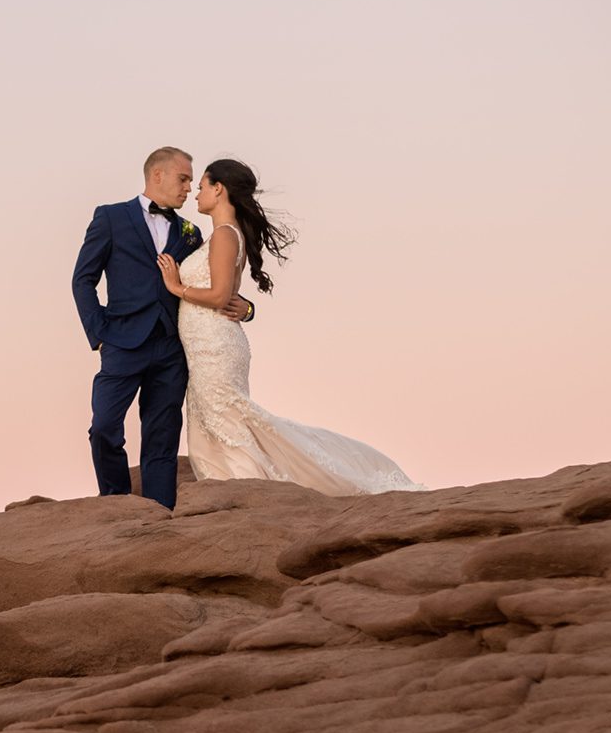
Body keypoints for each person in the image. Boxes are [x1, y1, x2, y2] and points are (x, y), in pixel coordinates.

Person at [157, 158, 422, 495]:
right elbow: (233, 296)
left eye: (202, 186)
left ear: (219, 189)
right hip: (208, 343)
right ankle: (231, 486)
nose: (196, 193)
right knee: (217, 418)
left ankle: (247, 489)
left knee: (226, 418)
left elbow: (221, 294)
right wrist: (248, 308)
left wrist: (176, 286)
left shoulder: (224, 235)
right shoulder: (221, 235)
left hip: (215, 345)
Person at [71, 147, 252, 508]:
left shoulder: (190, 232)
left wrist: (247, 308)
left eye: (192, 181)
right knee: (104, 426)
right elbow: (82, 280)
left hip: (172, 348)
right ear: (158, 175)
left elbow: (216, 281)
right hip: (121, 342)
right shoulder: (110, 218)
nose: (188, 188)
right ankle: (115, 504)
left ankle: (159, 514)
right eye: (183, 179)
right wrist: (100, 334)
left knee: (163, 437)